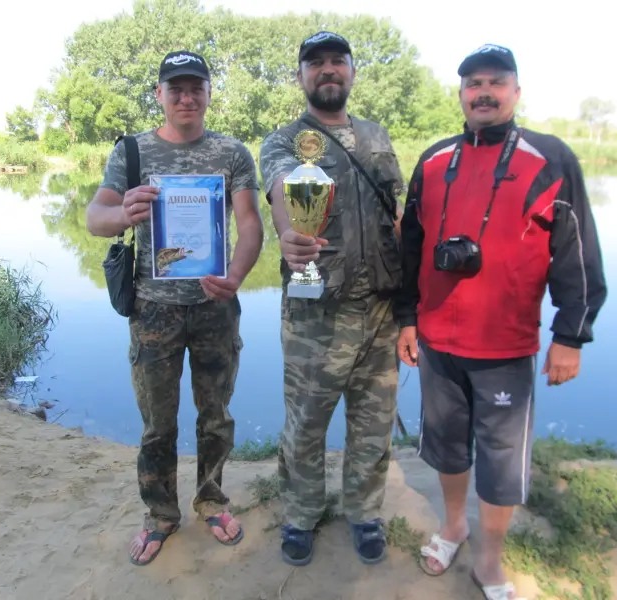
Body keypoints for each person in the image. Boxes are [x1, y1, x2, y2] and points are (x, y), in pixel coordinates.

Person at [394, 43, 607, 599]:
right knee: (444, 448)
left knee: (500, 462)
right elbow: (411, 247)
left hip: (507, 349)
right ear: (461, 94)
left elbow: (577, 253)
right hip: (438, 341)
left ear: (516, 92)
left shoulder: (549, 158)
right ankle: (452, 526)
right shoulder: (435, 160)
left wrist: (570, 336)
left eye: (496, 81)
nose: (483, 92)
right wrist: (408, 319)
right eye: (473, 83)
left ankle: (490, 561)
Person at [85, 49, 264, 567]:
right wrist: (123, 212)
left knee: (216, 418)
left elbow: (250, 223)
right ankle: (160, 515)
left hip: (214, 308)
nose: (187, 97)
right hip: (153, 312)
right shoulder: (132, 152)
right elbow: (96, 216)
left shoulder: (232, 153)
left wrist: (237, 276)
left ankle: (211, 500)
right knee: (157, 425)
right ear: (160, 95)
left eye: (196, 87)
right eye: (176, 88)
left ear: (209, 94)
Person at [258, 31, 406, 567]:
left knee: (373, 422)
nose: (327, 70)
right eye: (314, 63)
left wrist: (410, 309)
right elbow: (281, 192)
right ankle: (300, 515)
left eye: (336, 61)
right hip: (316, 314)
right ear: (301, 77)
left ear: (351, 72)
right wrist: (289, 235)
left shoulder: (376, 135)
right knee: (306, 422)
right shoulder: (283, 140)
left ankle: (364, 513)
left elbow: (396, 216)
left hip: (383, 312)